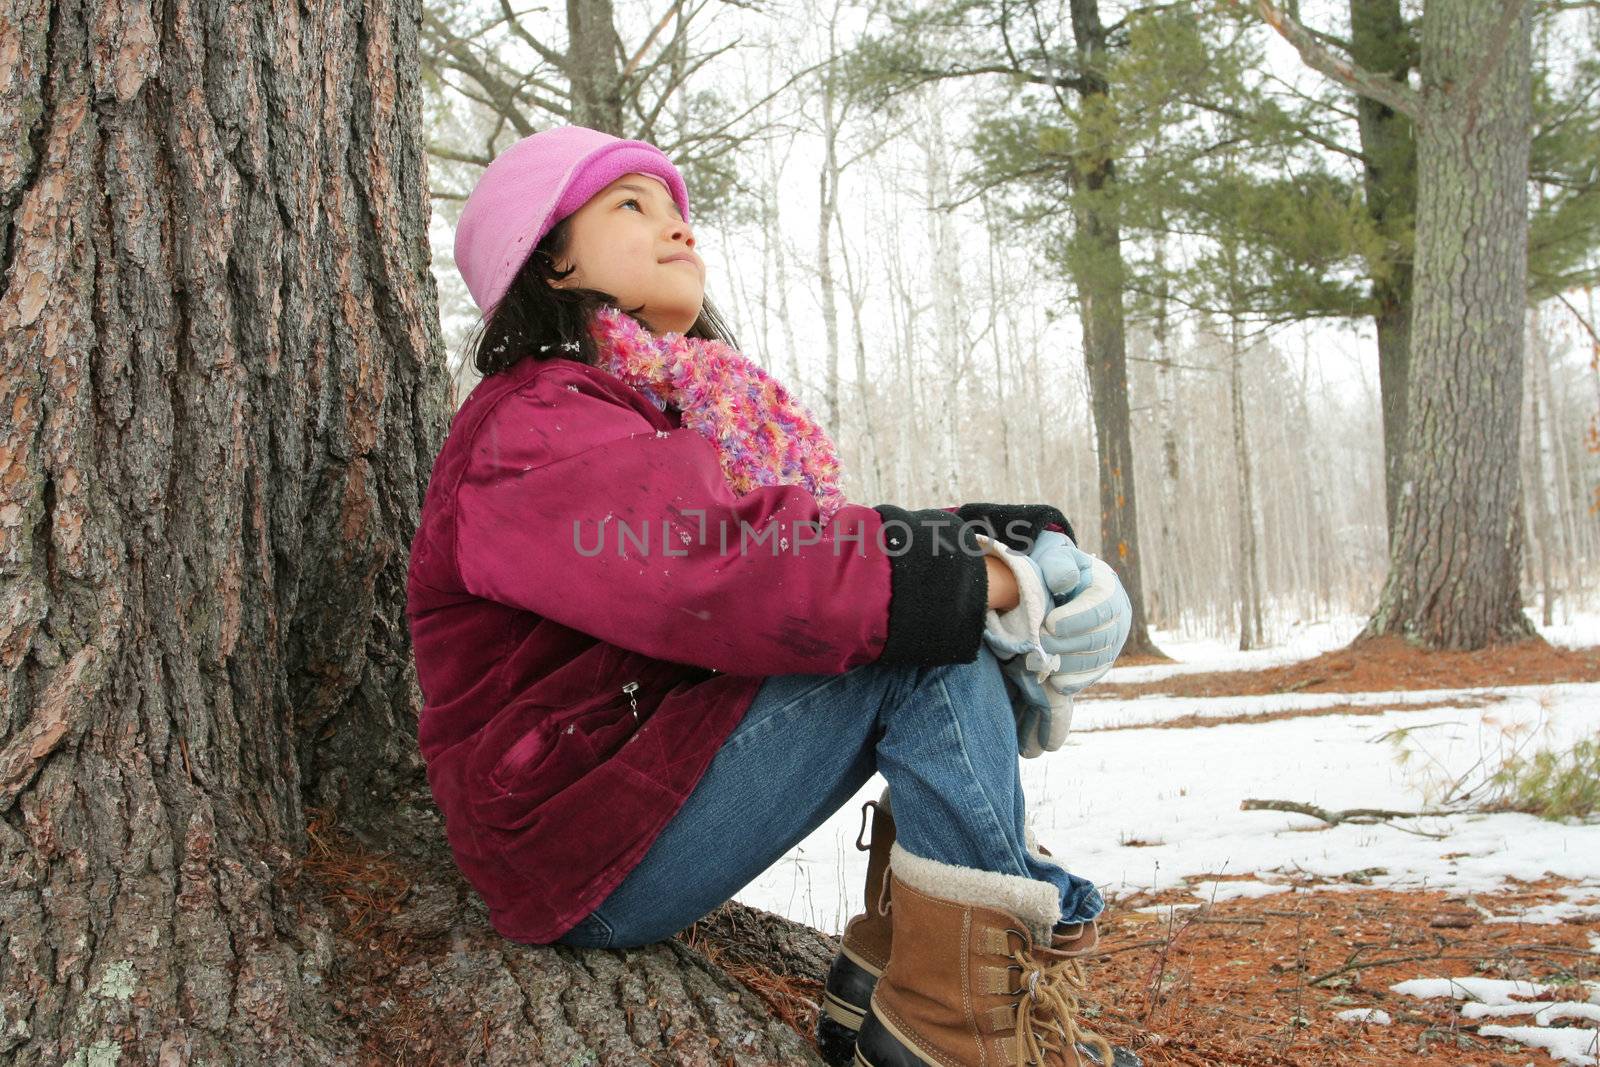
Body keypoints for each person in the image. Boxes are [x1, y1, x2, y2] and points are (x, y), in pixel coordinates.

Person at [405, 124, 1139, 1067]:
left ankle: (898, 987)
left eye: (679, 211)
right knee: (920, 645)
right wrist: (989, 577)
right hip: (570, 837)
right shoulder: (536, 423)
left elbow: (803, 538)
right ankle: (957, 1029)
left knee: (921, 620)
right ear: (547, 262)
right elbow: (742, 565)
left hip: (620, 792)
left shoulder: (657, 413)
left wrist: (1020, 540)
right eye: (633, 205)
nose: (679, 231)